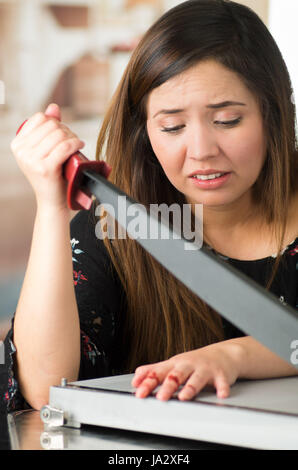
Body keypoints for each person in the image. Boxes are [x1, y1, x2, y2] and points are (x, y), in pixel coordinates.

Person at [1, 0, 298, 412]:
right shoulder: (114, 227)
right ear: (145, 132)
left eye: (227, 119)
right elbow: (46, 390)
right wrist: (51, 205)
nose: (201, 151)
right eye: (172, 127)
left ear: (276, 113)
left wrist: (233, 357)